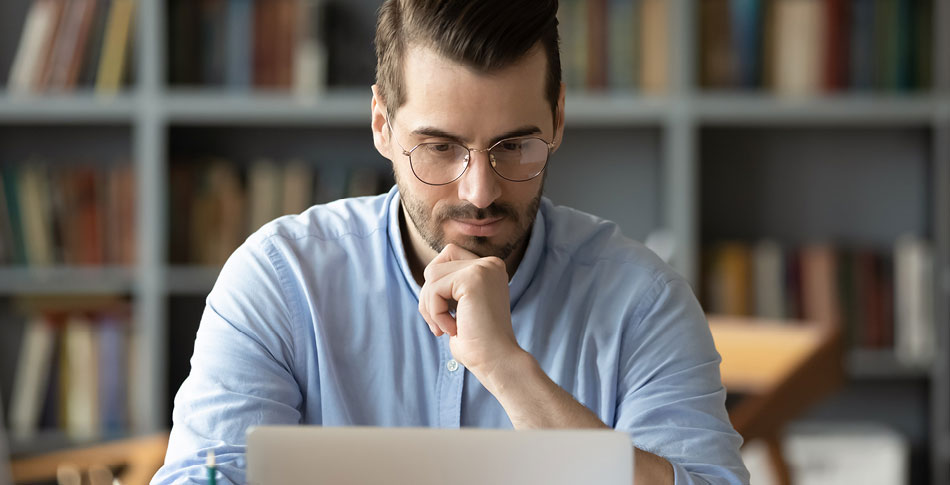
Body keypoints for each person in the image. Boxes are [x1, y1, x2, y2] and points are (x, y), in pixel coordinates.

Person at [152, 1, 749, 484]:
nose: (480, 191)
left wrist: (508, 371)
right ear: (383, 123)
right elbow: (204, 476)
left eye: (514, 145)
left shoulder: (643, 302)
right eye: (439, 147)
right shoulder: (281, 280)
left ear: (559, 118)